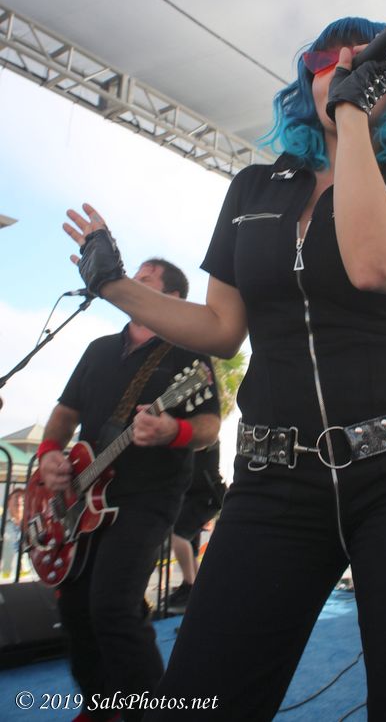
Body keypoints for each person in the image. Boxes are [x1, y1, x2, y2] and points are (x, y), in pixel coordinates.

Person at [63, 16, 386, 721]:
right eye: (326, 59)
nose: (342, 69)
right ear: (305, 77)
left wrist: (351, 121)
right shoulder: (255, 189)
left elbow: (376, 265)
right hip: (275, 476)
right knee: (200, 698)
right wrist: (115, 286)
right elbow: (220, 329)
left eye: (366, 60)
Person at [37, 258, 220, 722]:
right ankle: (100, 706)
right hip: (82, 499)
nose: (130, 285)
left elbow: (209, 427)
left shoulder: (189, 354)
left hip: (147, 497)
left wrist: (172, 431)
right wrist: (49, 454)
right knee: (75, 610)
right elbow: (65, 413)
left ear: (172, 299)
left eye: (144, 280)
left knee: (112, 607)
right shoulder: (99, 349)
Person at [167, 440, 226, 611]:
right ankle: (194, 588)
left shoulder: (206, 435)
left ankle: (190, 586)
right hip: (192, 495)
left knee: (178, 535)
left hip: (207, 494)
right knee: (188, 541)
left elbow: (197, 443)